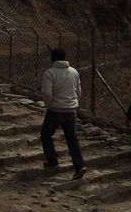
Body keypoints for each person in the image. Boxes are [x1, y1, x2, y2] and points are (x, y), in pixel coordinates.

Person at [40, 48, 86, 180]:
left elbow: (47, 93)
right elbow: (79, 91)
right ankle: (80, 166)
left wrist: (49, 104)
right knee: (72, 138)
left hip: (56, 109)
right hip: (71, 110)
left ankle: (52, 160)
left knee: (46, 134)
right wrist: (74, 103)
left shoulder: (49, 73)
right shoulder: (74, 71)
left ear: (52, 59)